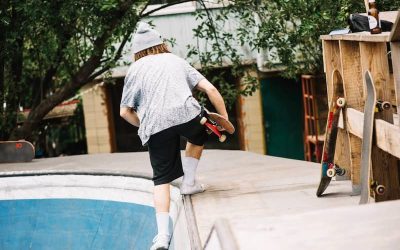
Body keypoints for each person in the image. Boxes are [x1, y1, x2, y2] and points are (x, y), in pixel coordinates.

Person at [120, 22, 228, 250]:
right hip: (188, 115)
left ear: (136, 50)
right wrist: (224, 120)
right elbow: (211, 90)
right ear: (161, 44)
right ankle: (189, 182)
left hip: (155, 125)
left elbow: (124, 112)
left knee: (161, 179)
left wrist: (144, 125)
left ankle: (161, 237)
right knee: (199, 132)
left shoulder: (134, 70)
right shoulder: (176, 60)